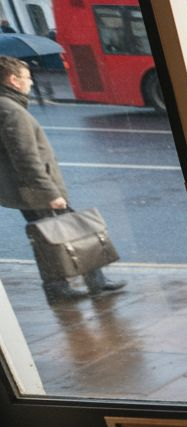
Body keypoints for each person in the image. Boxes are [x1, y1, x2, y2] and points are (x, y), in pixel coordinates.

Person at [0, 56, 125, 304]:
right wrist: (50, 193)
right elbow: (25, 158)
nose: (31, 83)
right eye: (27, 78)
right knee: (63, 235)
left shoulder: (9, 106)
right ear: (13, 80)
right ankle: (69, 286)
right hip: (37, 191)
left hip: (31, 189)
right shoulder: (11, 110)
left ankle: (83, 283)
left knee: (53, 236)